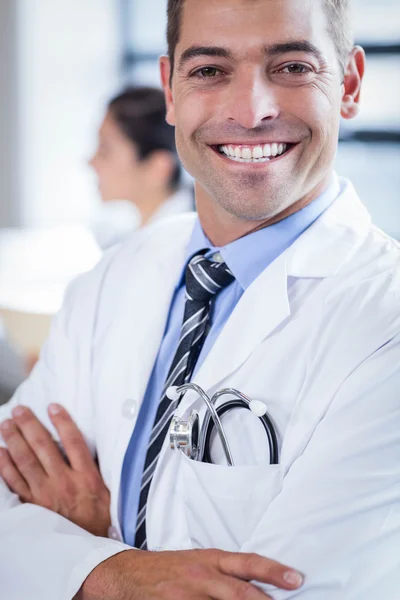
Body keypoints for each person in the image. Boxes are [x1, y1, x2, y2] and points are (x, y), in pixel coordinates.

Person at [0, 0, 399, 598]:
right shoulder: (113, 277)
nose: (251, 111)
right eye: (210, 71)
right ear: (170, 90)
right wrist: (113, 574)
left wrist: (65, 561)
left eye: (291, 67)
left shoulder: (383, 317)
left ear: (348, 84)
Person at [89, 86, 193, 248]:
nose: (91, 162)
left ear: (158, 167)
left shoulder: (184, 246)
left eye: (105, 150)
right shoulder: (128, 238)